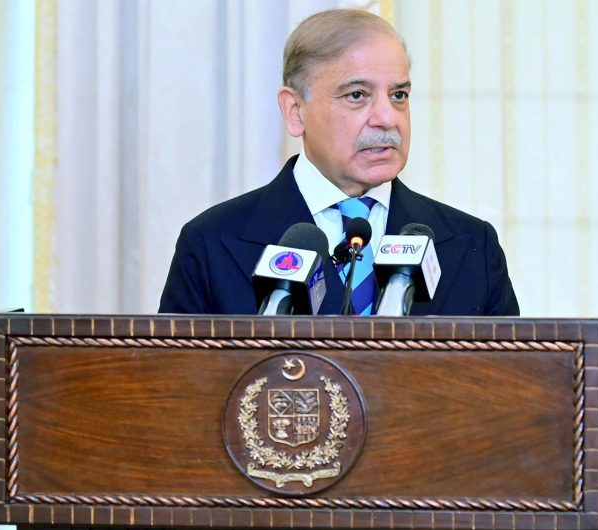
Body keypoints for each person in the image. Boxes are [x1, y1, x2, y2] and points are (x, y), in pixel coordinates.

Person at [159, 8, 519, 316]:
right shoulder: (211, 243)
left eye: (398, 95)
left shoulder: (473, 245)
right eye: (357, 95)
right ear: (295, 111)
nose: (387, 118)